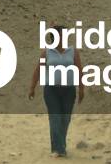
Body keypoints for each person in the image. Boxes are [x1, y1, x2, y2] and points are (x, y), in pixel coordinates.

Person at [28, 25, 84, 157]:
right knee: (55, 118)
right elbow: (38, 70)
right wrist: (32, 88)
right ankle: (59, 150)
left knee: (65, 119)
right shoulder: (46, 52)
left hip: (69, 90)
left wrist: (81, 89)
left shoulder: (73, 52)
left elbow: (79, 71)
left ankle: (59, 145)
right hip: (51, 90)